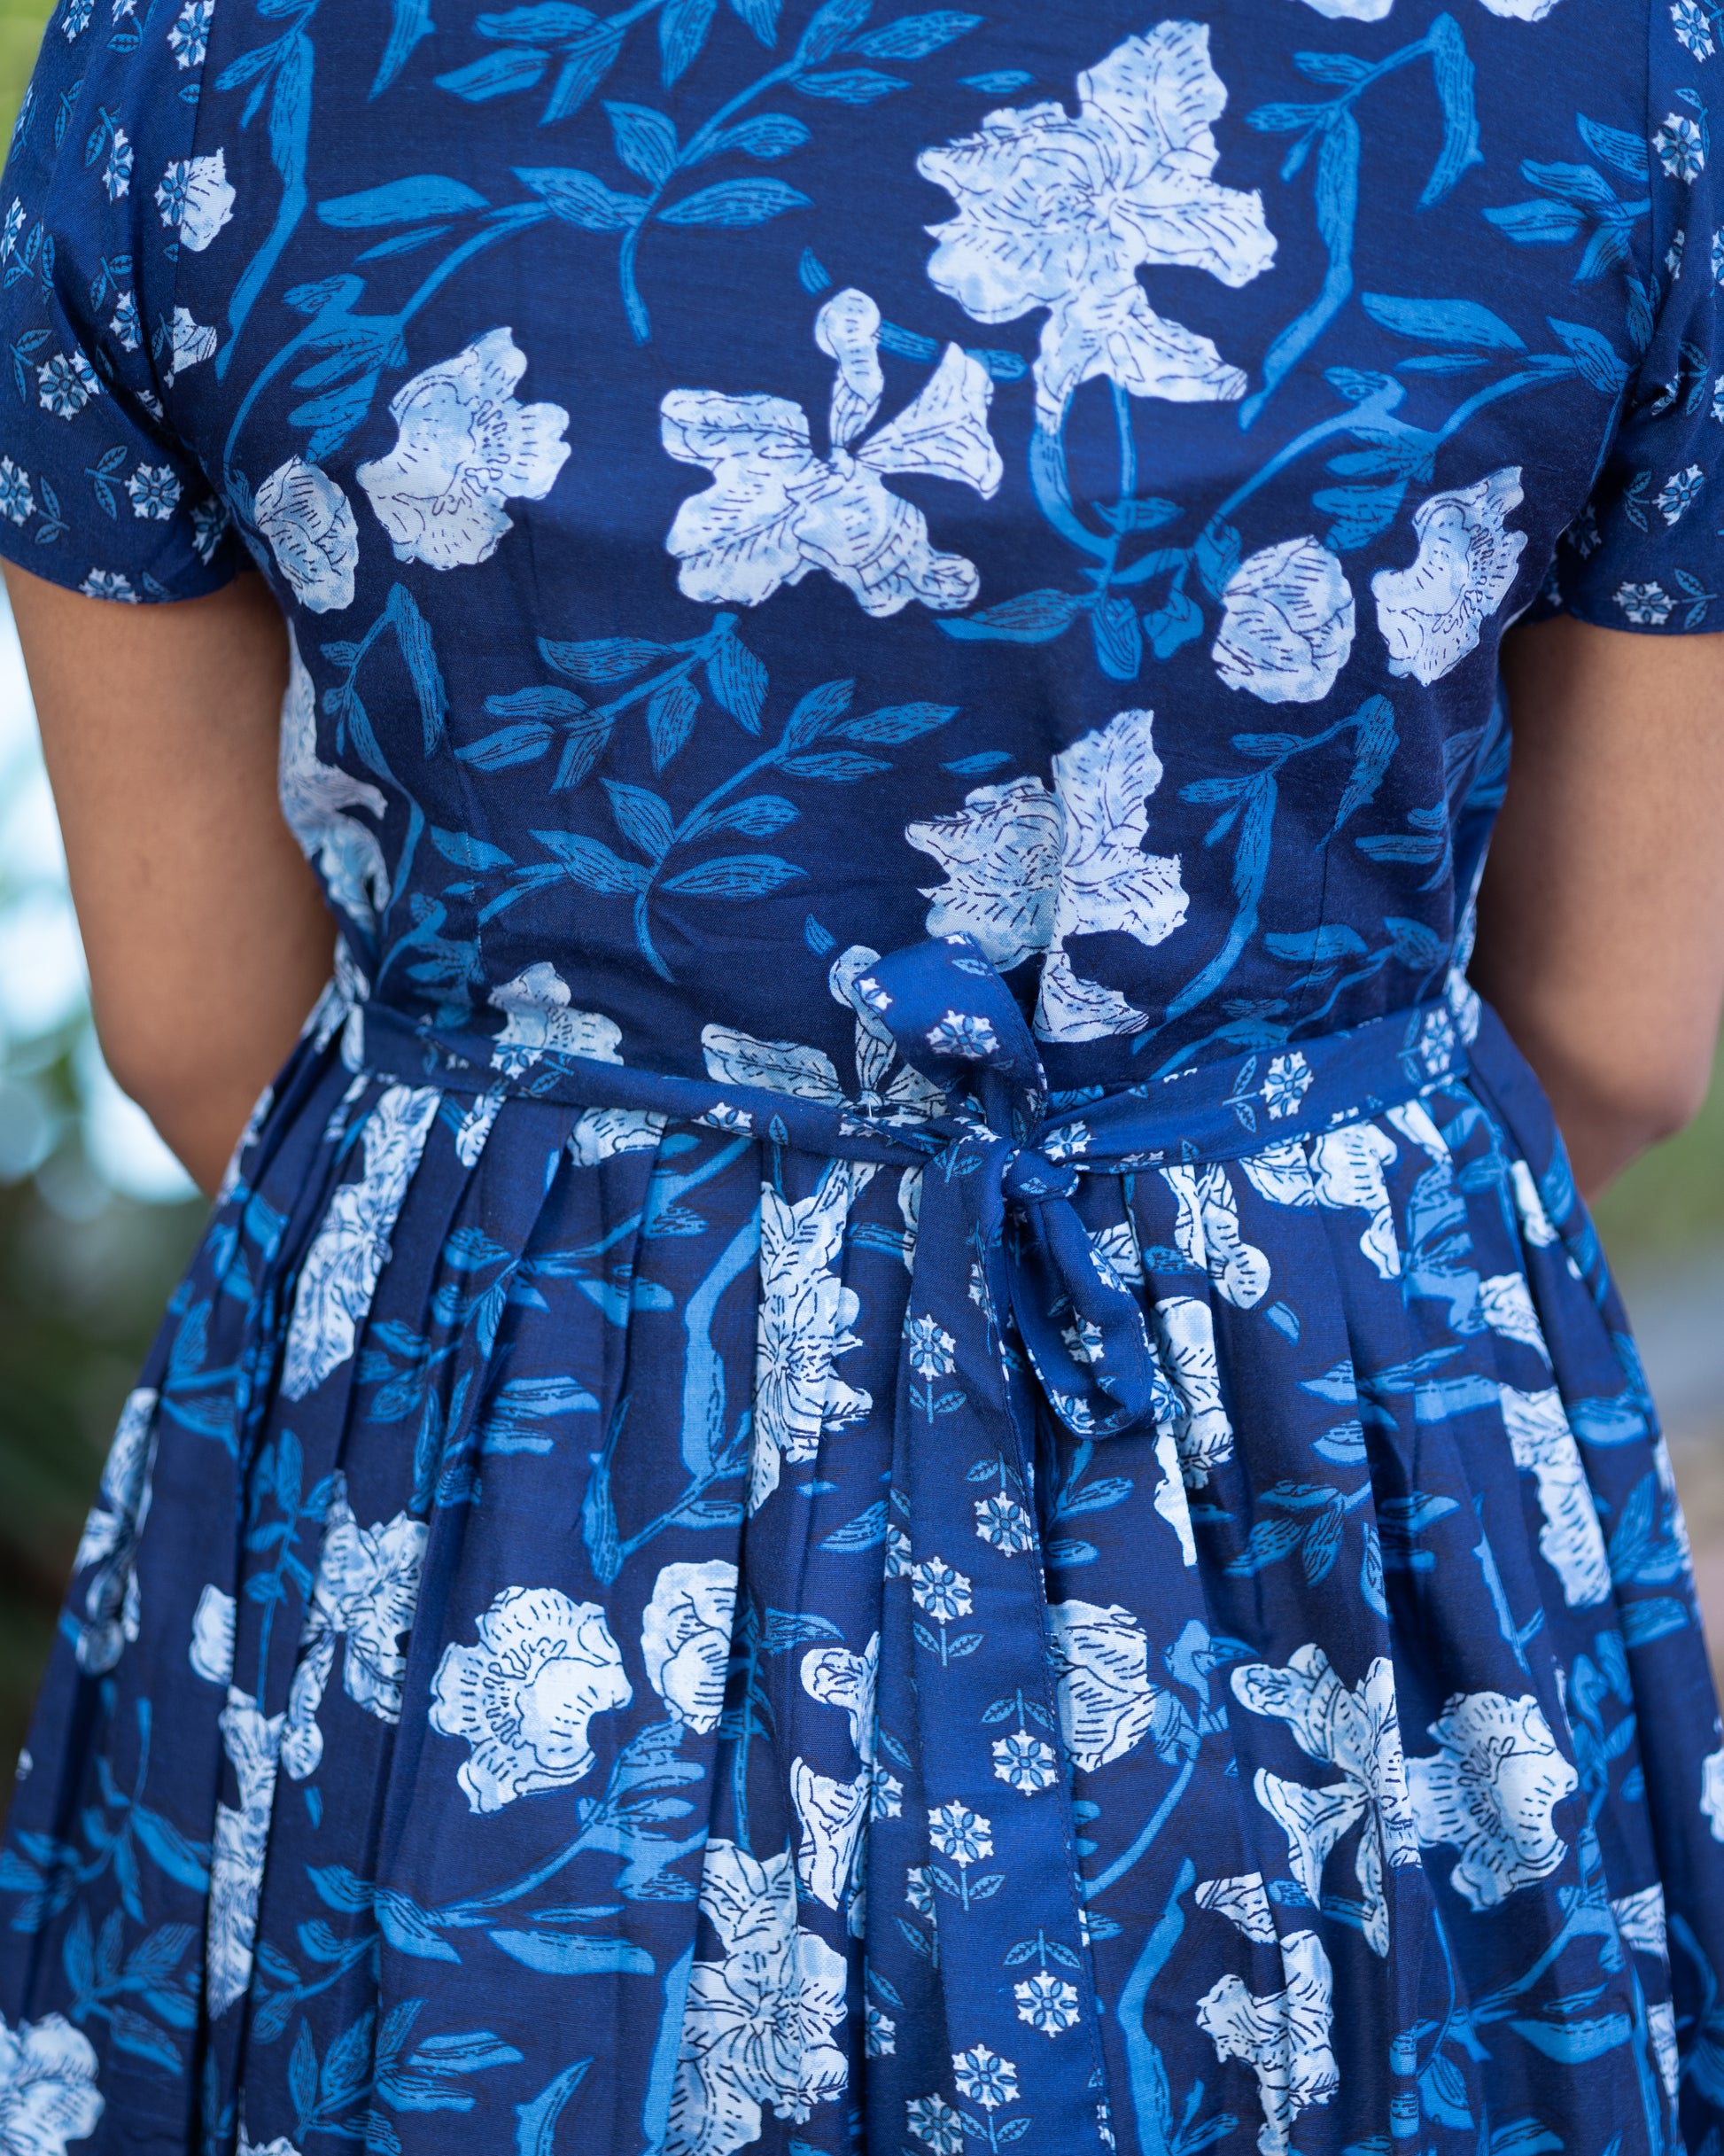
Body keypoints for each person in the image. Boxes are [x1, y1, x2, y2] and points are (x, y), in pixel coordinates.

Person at [4, 0, 1724, 2146]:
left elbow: (187, 1023)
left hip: (505, 1491)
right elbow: (1617, 1031)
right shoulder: (1601, 61)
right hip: (1312, 1474)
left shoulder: (194, 60)